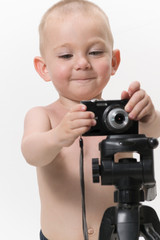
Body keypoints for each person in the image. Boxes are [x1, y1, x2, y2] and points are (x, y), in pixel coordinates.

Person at [21, 0, 160, 239]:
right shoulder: (43, 115)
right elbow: (31, 153)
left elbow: (153, 133)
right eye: (66, 55)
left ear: (114, 61)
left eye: (95, 52)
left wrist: (148, 115)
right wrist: (58, 136)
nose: (83, 63)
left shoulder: (121, 115)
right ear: (44, 68)